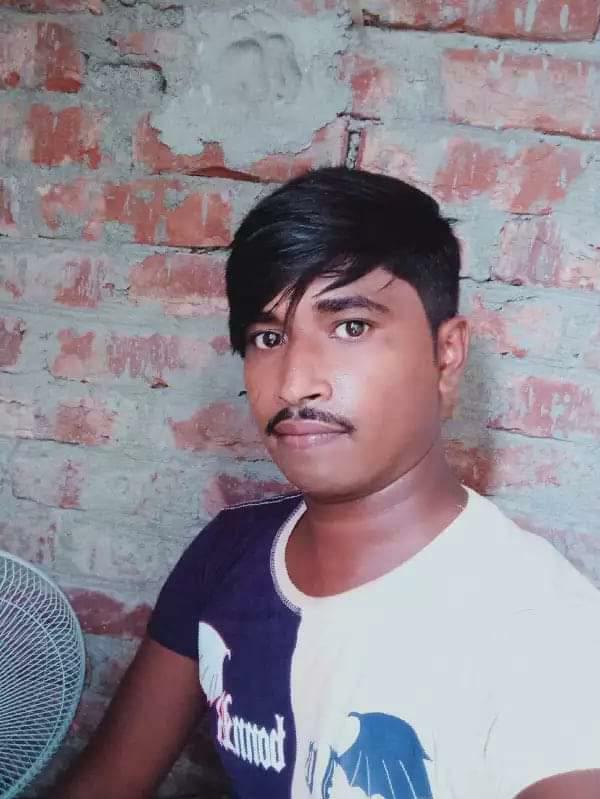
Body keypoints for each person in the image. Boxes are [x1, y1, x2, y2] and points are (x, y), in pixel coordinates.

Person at [51, 167, 600, 799]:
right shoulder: (229, 553)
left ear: (446, 356)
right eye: (268, 337)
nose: (293, 383)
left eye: (351, 327)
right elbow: (108, 782)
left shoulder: (544, 632)